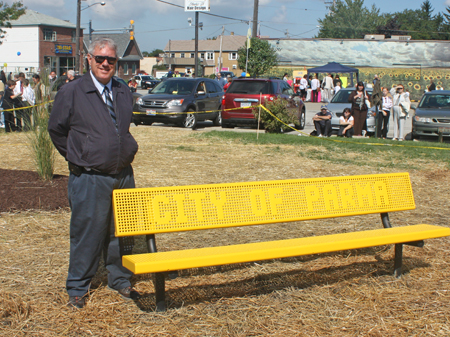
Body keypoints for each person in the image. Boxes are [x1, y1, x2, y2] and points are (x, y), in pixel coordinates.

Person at [48, 37, 140, 309]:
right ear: (88, 59)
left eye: (110, 59)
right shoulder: (73, 91)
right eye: (99, 58)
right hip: (89, 177)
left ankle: (120, 278)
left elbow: (122, 129)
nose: (105, 63)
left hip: (123, 175)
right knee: (87, 232)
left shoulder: (123, 91)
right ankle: (78, 286)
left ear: (116, 63)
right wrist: (80, 155)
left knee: (122, 231)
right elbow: (57, 131)